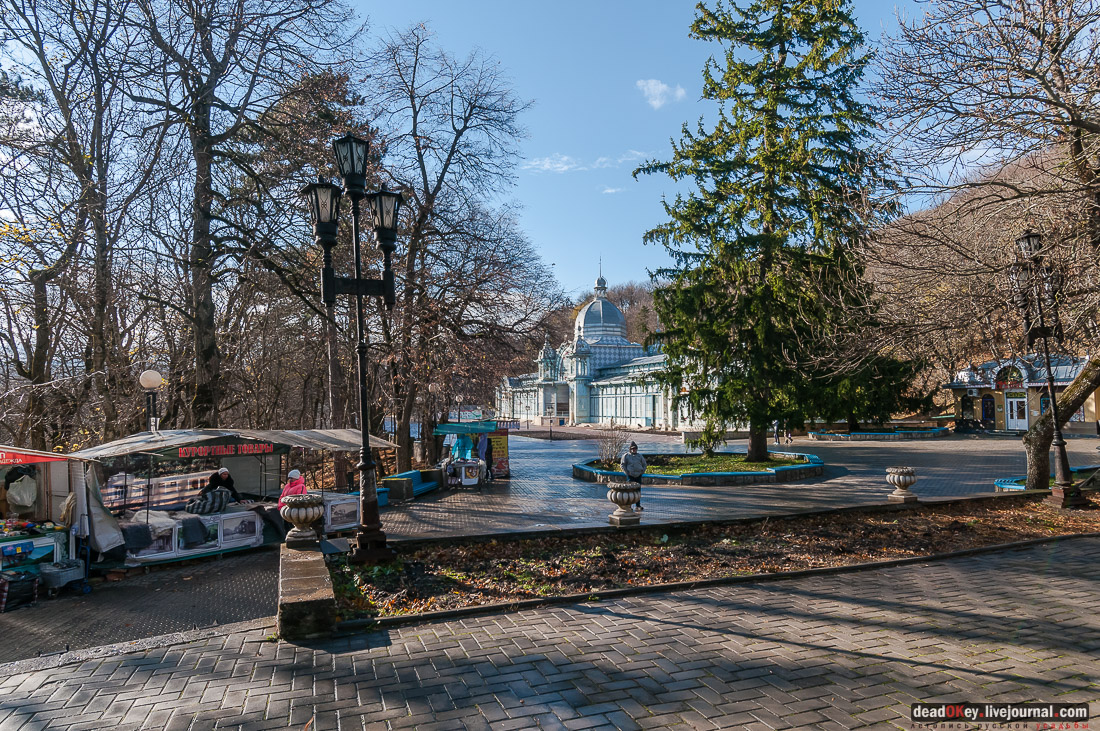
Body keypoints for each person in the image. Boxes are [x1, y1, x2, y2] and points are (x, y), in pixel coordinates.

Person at [619, 441, 647, 511]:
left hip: (638, 475)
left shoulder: (640, 456)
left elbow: (644, 464)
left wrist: (642, 471)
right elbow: (622, 465)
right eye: (632, 449)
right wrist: (627, 472)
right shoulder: (626, 456)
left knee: (638, 491)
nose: (634, 450)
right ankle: (629, 506)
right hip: (630, 475)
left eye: (635, 449)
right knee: (630, 491)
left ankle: (638, 505)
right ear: (630, 449)